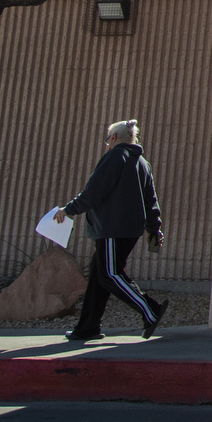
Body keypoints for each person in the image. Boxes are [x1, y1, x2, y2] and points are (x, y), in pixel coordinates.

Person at [55, 118, 167, 342]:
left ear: (114, 138)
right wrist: (154, 228)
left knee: (109, 274)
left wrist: (68, 210)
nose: (107, 144)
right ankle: (87, 328)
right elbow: (151, 200)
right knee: (98, 278)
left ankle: (150, 309)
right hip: (129, 230)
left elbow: (94, 191)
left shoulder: (115, 156)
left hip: (111, 228)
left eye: (108, 139)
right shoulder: (142, 163)